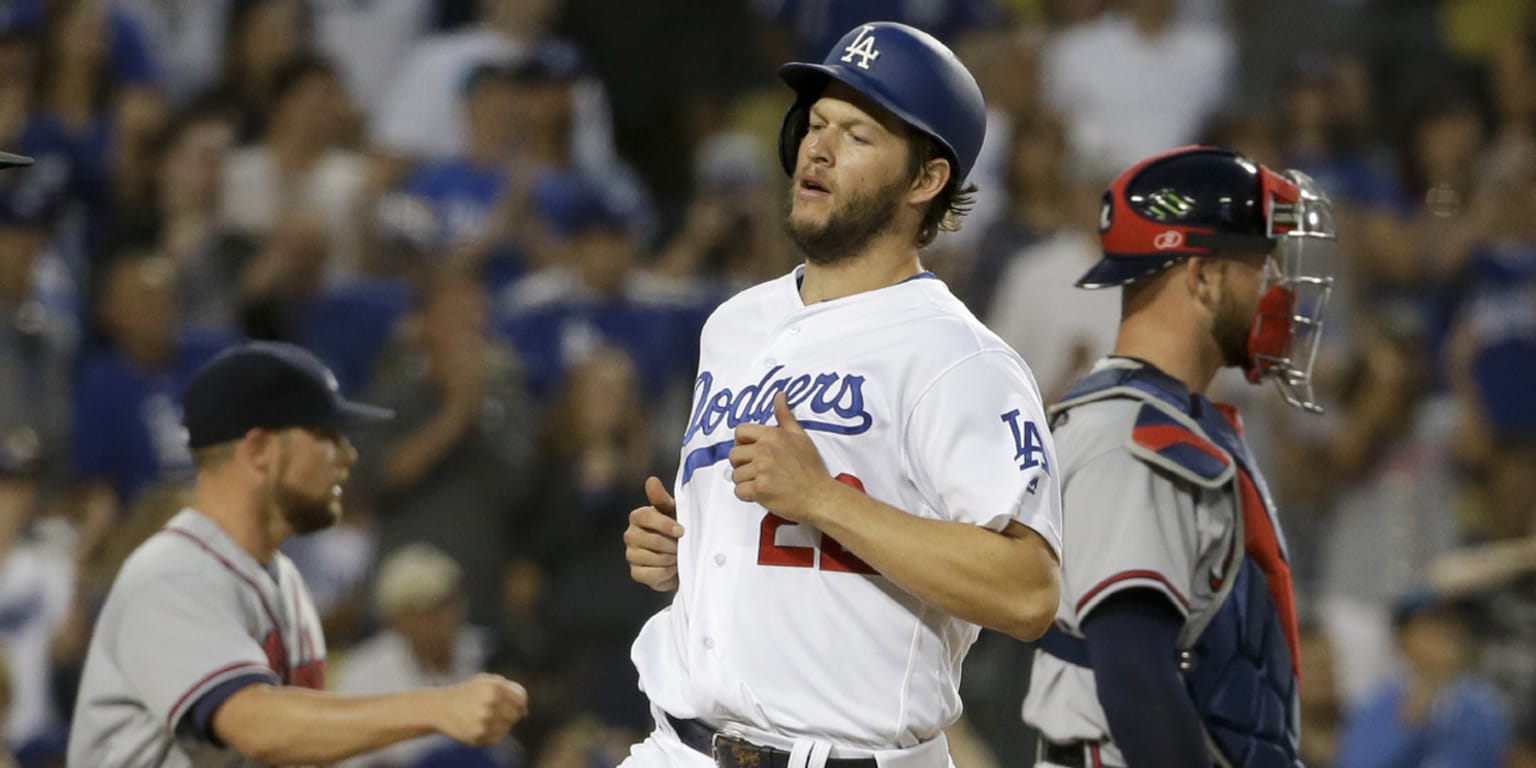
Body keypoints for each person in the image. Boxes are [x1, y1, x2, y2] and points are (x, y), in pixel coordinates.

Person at [620, 22, 1063, 767]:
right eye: (816, 124)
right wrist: (685, 551)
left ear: (925, 180)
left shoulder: (959, 359)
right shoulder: (735, 324)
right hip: (680, 746)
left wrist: (825, 500)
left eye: (857, 134)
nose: (817, 150)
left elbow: (1028, 592)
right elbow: (764, 543)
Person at [1020, 145, 1337, 768]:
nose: (1278, 290)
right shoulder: (1128, 437)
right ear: (1200, 276)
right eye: (1260, 265)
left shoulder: (1170, 418)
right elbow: (1134, 671)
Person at [68, 341, 528, 767]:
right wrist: (436, 706)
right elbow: (255, 726)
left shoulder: (282, 581)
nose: (347, 454)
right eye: (325, 435)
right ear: (261, 449)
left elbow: (292, 750)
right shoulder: (172, 575)